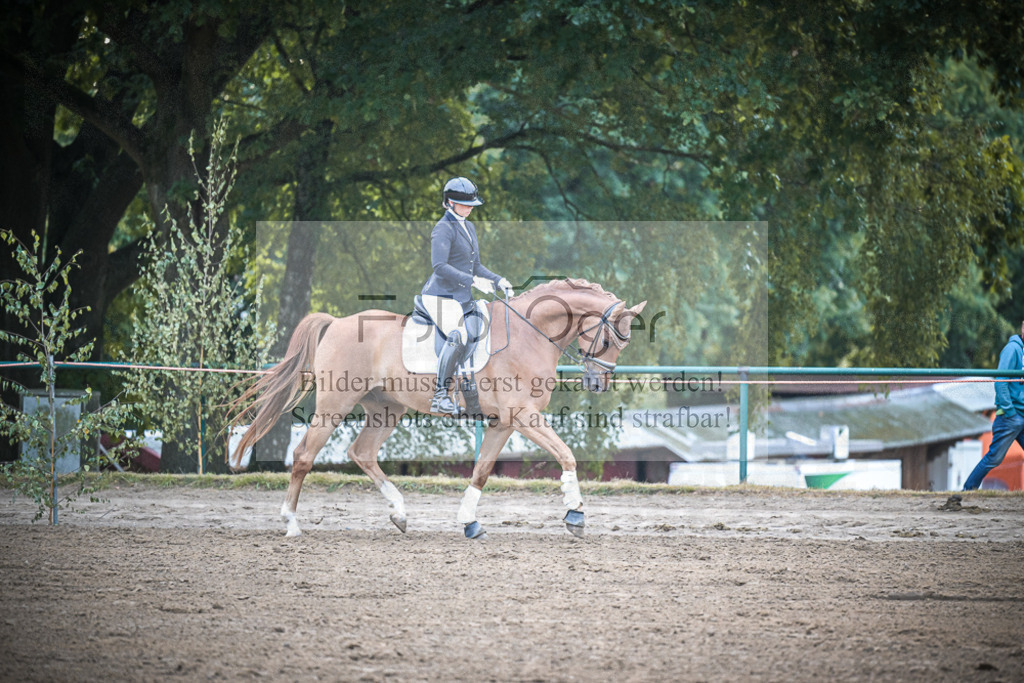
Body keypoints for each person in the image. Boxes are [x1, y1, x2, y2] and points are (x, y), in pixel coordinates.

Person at [421, 177, 513, 414]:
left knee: (483, 331)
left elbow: (476, 266)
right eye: (465, 204)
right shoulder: (443, 228)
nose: (471, 208)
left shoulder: (469, 227)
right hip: (440, 296)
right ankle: (440, 395)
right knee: (459, 335)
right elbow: (439, 266)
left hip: (461, 297)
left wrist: (498, 280)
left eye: (472, 204)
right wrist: (472, 281)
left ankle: (472, 396)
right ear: (450, 203)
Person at [964, 318, 1024, 490]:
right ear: (1022, 328)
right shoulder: (1012, 349)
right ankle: (968, 489)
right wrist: (1010, 412)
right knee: (994, 458)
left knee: (993, 458)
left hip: (1020, 415)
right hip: (1010, 417)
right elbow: (1000, 382)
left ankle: (968, 489)